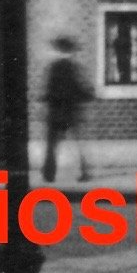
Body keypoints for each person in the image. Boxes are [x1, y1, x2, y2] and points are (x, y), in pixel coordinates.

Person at [41, 33, 95, 184]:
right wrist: (88, 95)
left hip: (55, 112)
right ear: (70, 51)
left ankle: (48, 174)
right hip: (71, 111)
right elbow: (78, 89)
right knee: (79, 144)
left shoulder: (52, 68)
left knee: (52, 145)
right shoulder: (74, 68)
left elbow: (48, 91)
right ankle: (84, 171)